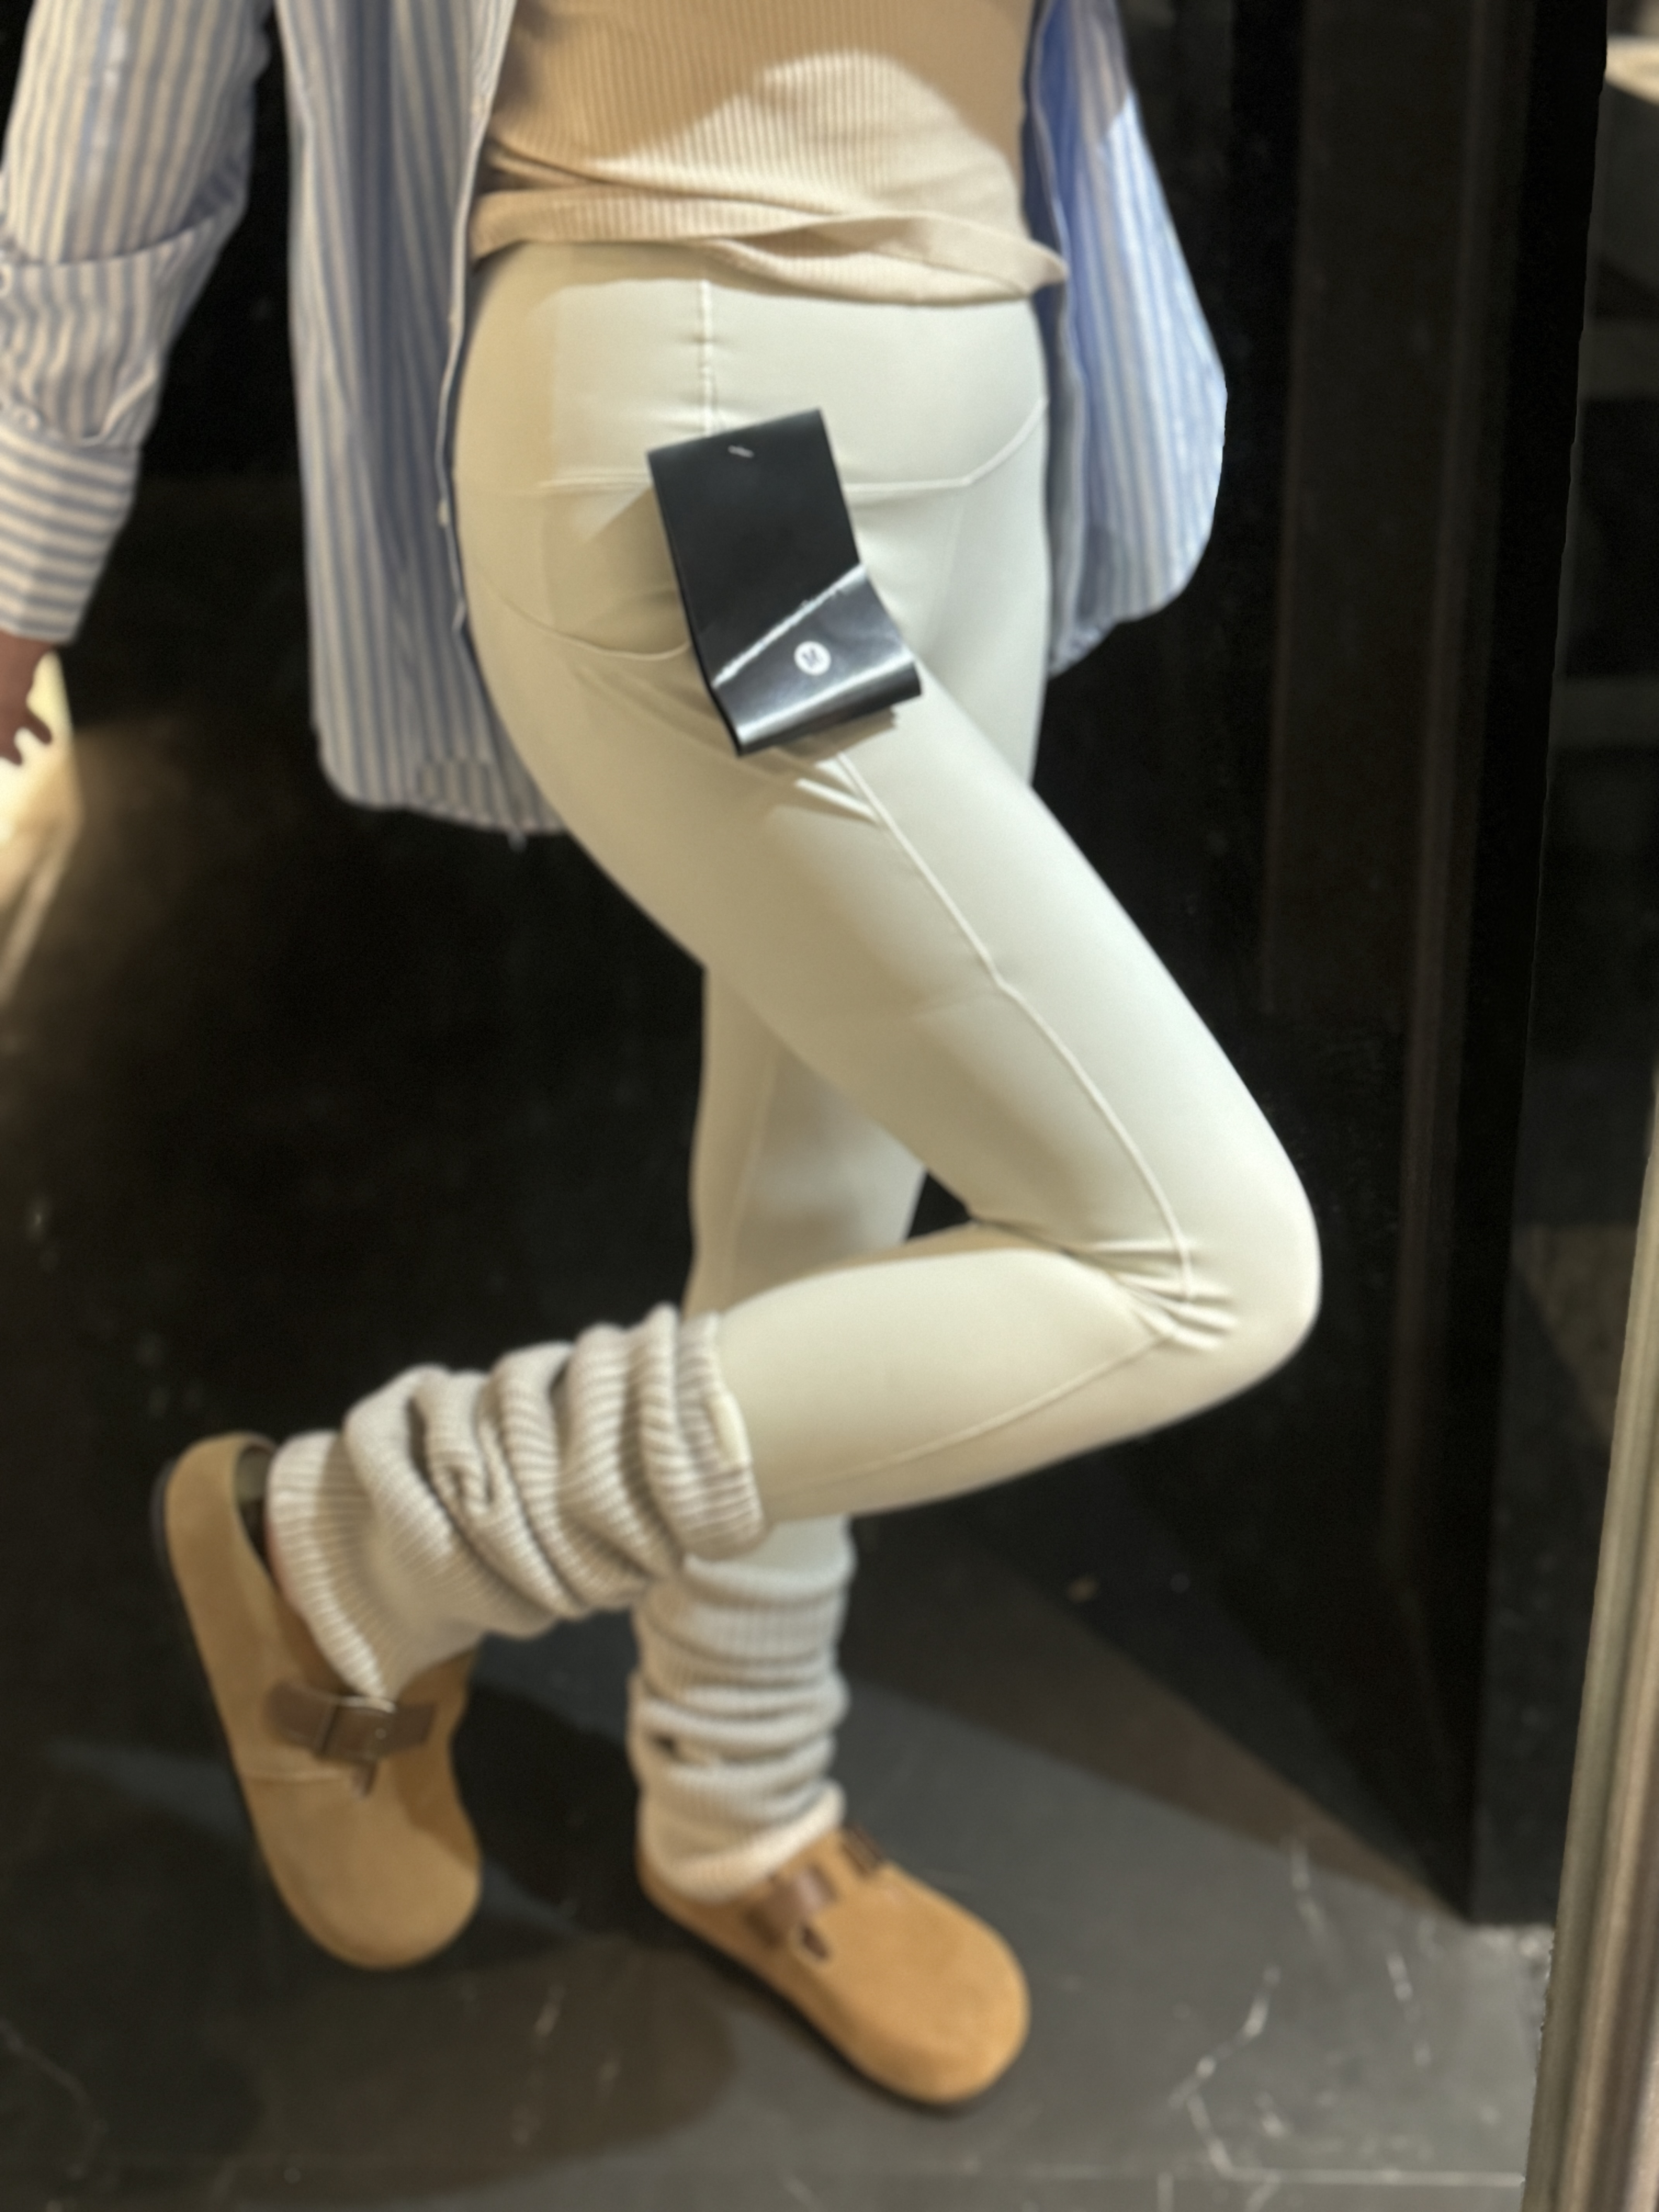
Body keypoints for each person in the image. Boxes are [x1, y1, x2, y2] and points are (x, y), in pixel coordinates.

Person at [0, 0, 1319, 2107]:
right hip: (702, 427)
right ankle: (367, 1543)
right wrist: (22, 514)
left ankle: (740, 1800)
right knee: (1202, 1256)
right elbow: (134, 47)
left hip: (982, 372)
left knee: (835, 1183)